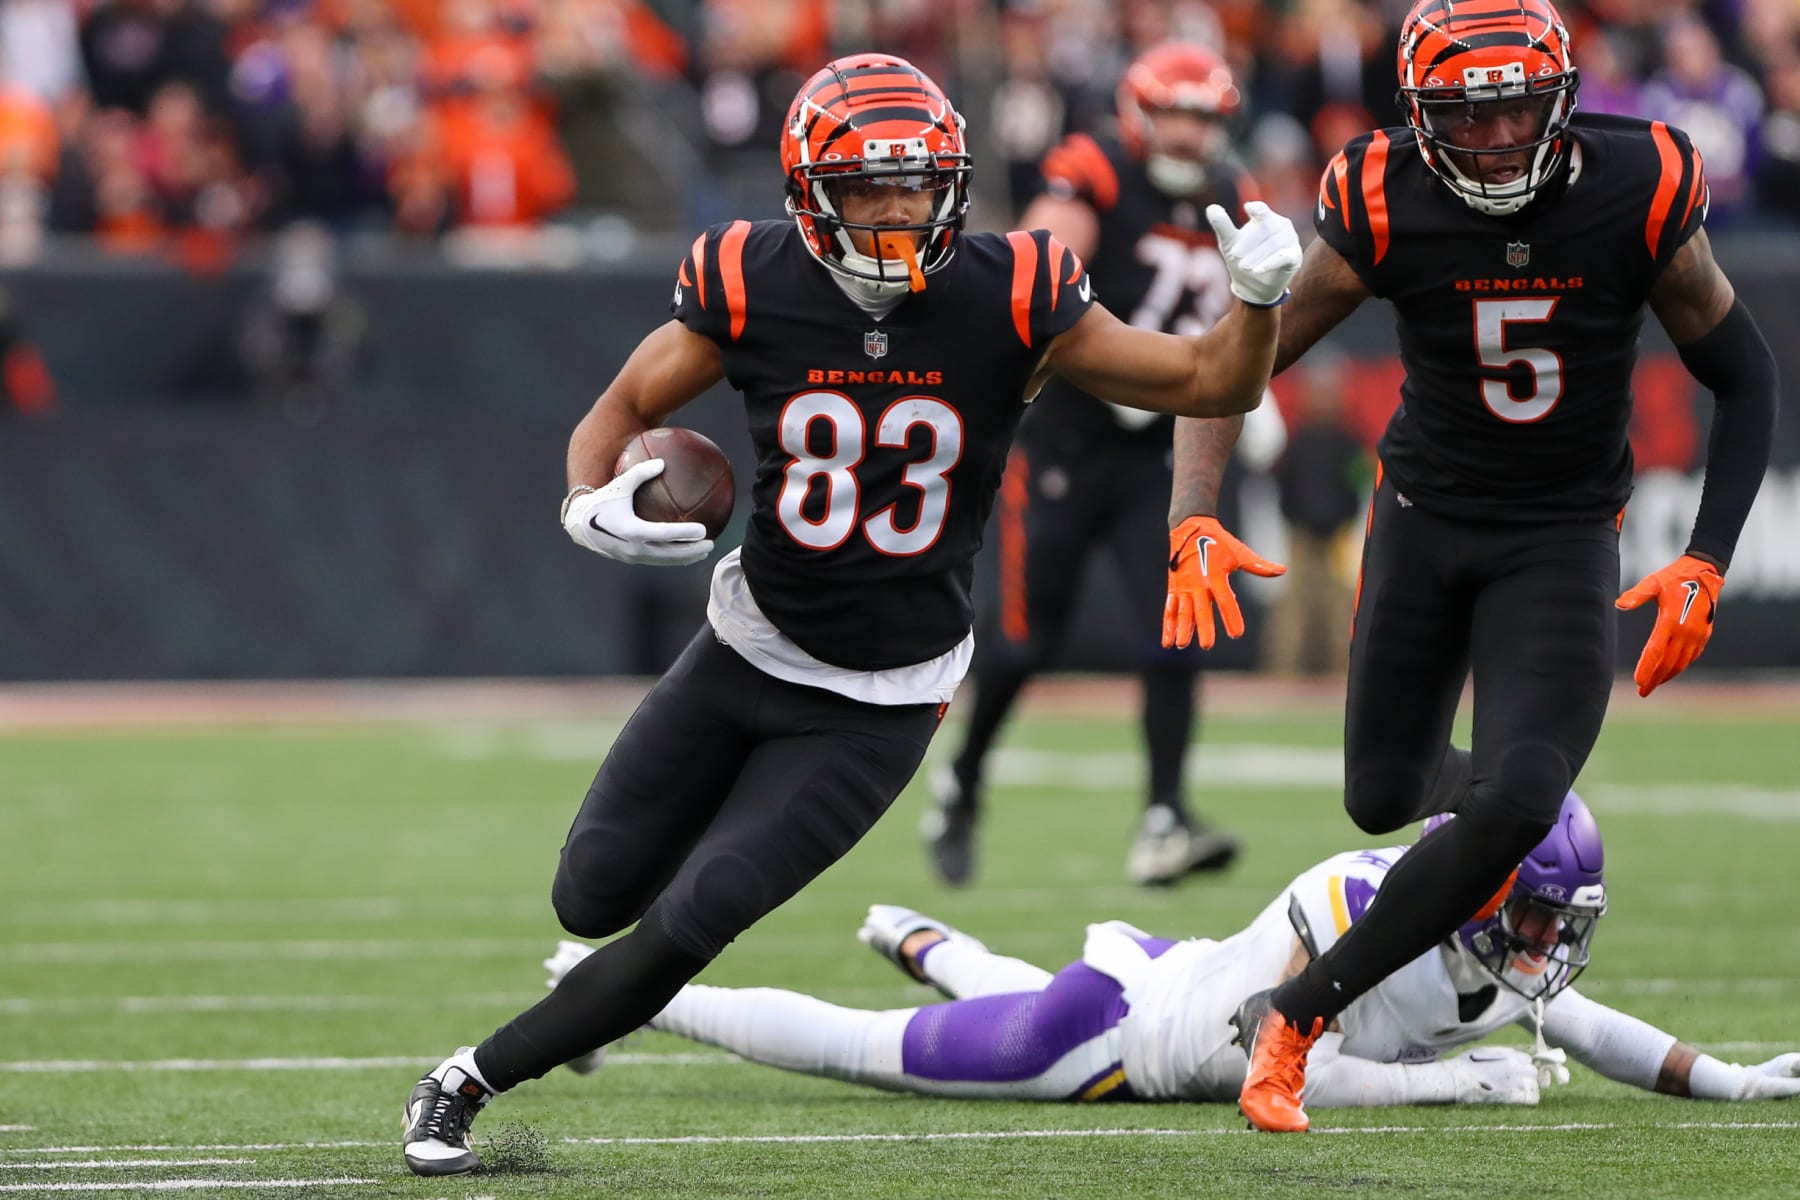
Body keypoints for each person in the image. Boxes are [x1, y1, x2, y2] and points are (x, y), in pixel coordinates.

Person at [400, 52, 1303, 1176]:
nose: (896, 209)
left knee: (701, 913)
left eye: (917, 183)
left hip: (880, 698)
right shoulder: (748, 275)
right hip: (745, 648)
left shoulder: (1015, 289)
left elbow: (1213, 382)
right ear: (807, 193)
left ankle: (466, 1082)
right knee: (590, 895)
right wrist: (589, 502)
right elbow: (622, 406)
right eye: (866, 186)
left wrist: (1258, 303)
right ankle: (602, 990)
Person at [1159, 0, 1778, 1133]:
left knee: (1517, 805)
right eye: (1465, 116)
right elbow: (1228, 368)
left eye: (1516, 111)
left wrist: (1706, 556)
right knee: (1381, 794)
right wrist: (1191, 513)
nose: (1493, 139)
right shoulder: (1381, 194)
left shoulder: (1639, 185)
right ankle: (1502, 788)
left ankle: (1293, 1019)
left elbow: (1744, 373)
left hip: (1561, 531)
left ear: (1563, 103)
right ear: (1417, 117)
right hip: (1426, 517)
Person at [542, 792, 1800, 1110]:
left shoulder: (1483, 950)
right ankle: (621, 1000)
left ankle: (929, 942)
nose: (1543, 946)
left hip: (1168, 966)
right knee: (861, 1052)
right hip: (1107, 1036)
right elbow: (1278, 1058)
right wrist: (1454, 1085)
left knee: (964, 1001)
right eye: (1530, 916)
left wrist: (1728, 1080)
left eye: (1554, 924)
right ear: (1472, 889)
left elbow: (1583, 1023)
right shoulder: (1349, 905)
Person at [925, 42, 1282, 889]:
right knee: (1022, 642)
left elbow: (1250, 308)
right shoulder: (1096, 170)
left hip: (1159, 452)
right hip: (1066, 446)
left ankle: (1165, 815)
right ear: (1138, 114)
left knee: (1177, 624)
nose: (1188, 134)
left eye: (1203, 118)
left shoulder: (1236, 193)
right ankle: (963, 782)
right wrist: (1110, 362)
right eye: (1174, 114)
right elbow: (1041, 273)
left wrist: (1255, 377)